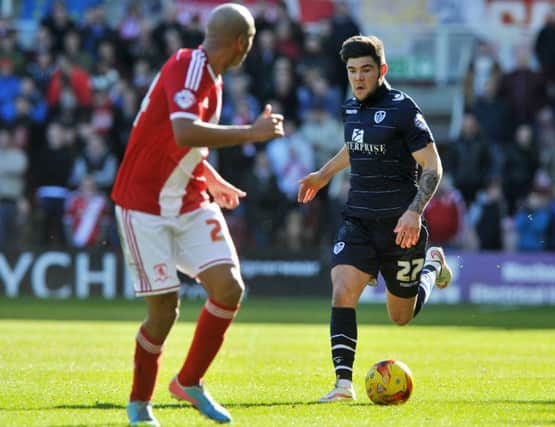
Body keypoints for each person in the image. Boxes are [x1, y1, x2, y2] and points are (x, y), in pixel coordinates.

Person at [110, 4, 284, 426]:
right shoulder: (189, 66)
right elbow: (184, 131)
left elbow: (181, 145)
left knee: (228, 288)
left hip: (188, 198)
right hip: (144, 206)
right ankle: (139, 404)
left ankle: (189, 382)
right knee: (164, 312)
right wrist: (250, 132)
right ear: (242, 43)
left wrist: (209, 176)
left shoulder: (213, 79)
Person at [297, 35, 452, 403]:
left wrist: (415, 211)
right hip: (359, 221)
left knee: (401, 315)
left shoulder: (403, 109)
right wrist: (323, 174)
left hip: (401, 228)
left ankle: (432, 265)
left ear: (381, 70)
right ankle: (343, 385)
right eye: (352, 71)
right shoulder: (351, 108)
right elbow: (355, 146)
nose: (359, 78)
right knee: (341, 290)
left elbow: (433, 166)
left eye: (366, 70)